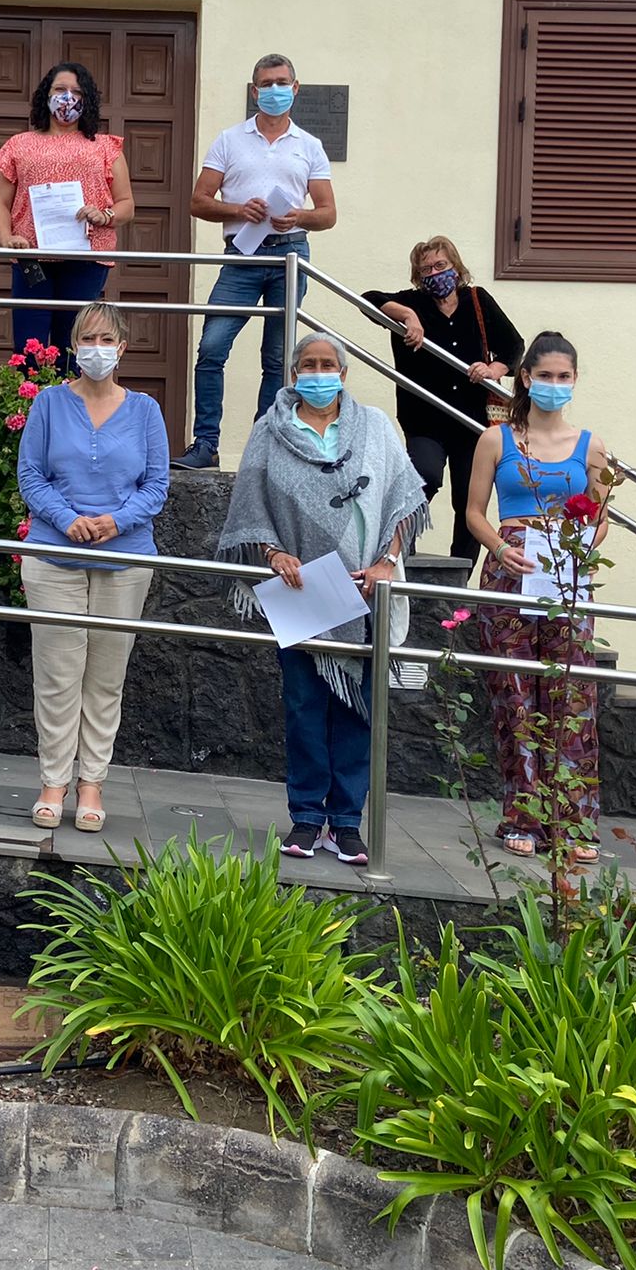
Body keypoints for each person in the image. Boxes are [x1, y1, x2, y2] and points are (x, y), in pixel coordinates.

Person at [216, 332, 426, 866]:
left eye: (327, 364)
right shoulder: (270, 430)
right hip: (303, 588)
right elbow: (251, 503)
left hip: (364, 589)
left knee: (357, 708)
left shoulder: (376, 427)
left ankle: (348, 823)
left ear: (344, 372)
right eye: (307, 364)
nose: (317, 372)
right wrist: (272, 553)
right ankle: (308, 817)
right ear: (293, 374)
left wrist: (387, 561)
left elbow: (403, 497)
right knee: (305, 707)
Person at [16, 302, 170, 832]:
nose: (96, 348)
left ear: (122, 347)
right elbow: (30, 476)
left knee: (106, 678)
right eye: (87, 338)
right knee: (58, 676)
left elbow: (156, 486)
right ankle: (53, 782)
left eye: (106, 338)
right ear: (73, 347)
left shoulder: (146, 410)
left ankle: (92, 784)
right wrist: (67, 519)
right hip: (53, 555)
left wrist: (116, 521)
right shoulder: (49, 405)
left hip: (124, 559)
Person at [464, 331, 611, 862]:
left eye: (563, 377)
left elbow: (600, 519)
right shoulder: (496, 438)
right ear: (526, 377)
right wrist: (501, 548)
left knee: (571, 695)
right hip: (510, 571)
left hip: (566, 577)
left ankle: (572, 822)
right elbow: (474, 512)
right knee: (515, 696)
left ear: (574, 381)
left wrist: (579, 553)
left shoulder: (591, 446)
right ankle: (521, 815)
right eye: (544, 375)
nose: (554, 385)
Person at [176, 54, 337, 470]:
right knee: (212, 347)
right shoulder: (230, 139)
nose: (274, 90)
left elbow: (327, 213)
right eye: (266, 84)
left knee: (276, 356)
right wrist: (235, 210)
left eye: (281, 82)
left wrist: (298, 216)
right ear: (254, 91)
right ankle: (205, 444)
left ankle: (263, 449)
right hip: (243, 253)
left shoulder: (310, 145)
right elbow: (197, 201)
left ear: (295, 88)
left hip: (290, 252)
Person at [363, 235, 522, 563]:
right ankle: (399, 551)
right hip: (424, 418)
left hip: (471, 420)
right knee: (424, 476)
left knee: (469, 500)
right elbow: (369, 299)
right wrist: (407, 316)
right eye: (426, 270)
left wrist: (493, 368)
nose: (435, 274)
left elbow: (514, 346)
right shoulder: (412, 303)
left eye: (441, 266)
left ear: (456, 267)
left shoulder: (477, 300)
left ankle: (460, 571)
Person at [0, 63, 133, 364]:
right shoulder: (19, 145)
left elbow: (126, 204)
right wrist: (7, 238)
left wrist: (104, 215)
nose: (67, 98)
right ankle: (30, 406)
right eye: (60, 90)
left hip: (85, 258)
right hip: (33, 257)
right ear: (46, 95)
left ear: (88, 99)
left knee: (75, 344)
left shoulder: (106, 147)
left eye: (77, 92)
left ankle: (73, 407)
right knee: (30, 347)